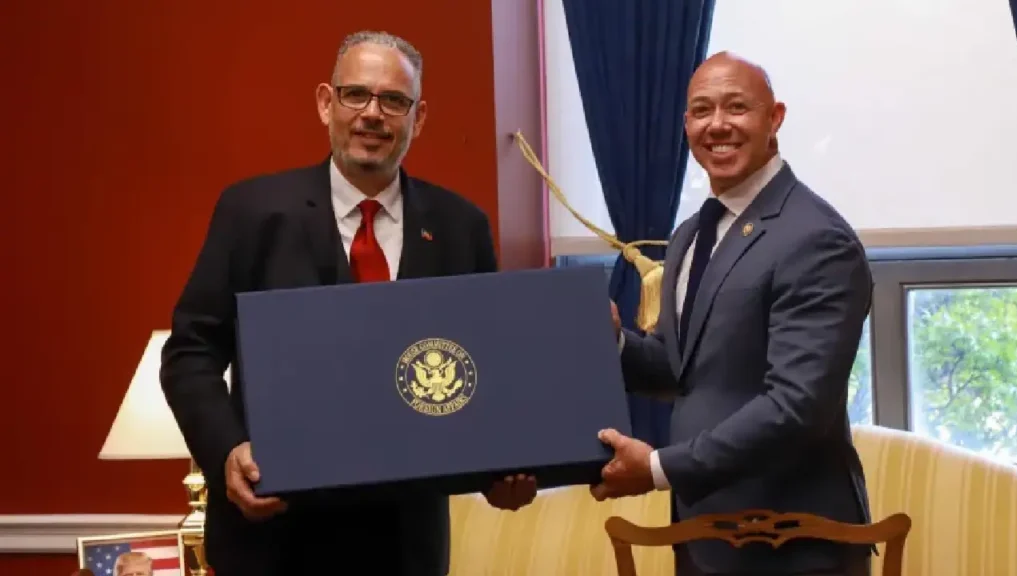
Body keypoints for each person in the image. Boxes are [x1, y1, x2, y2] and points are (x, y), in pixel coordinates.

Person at [160, 30, 536, 576]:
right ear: (325, 103)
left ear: (418, 117)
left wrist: (503, 468)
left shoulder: (461, 227)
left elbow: (481, 371)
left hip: (405, 547)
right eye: (355, 94)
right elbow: (190, 354)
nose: (372, 114)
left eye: (393, 100)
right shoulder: (252, 213)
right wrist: (225, 451)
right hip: (272, 537)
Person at [592, 52, 873, 576]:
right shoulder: (689, 235)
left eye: (737, 107)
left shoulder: (817, 238)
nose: (717, 125)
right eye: (702, 111)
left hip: (795, 547)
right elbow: (685, 371)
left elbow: (797, 406)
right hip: (703, 538)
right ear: (686, 125)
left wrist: (657, 468)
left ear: (775, 117)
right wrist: (614, 342)